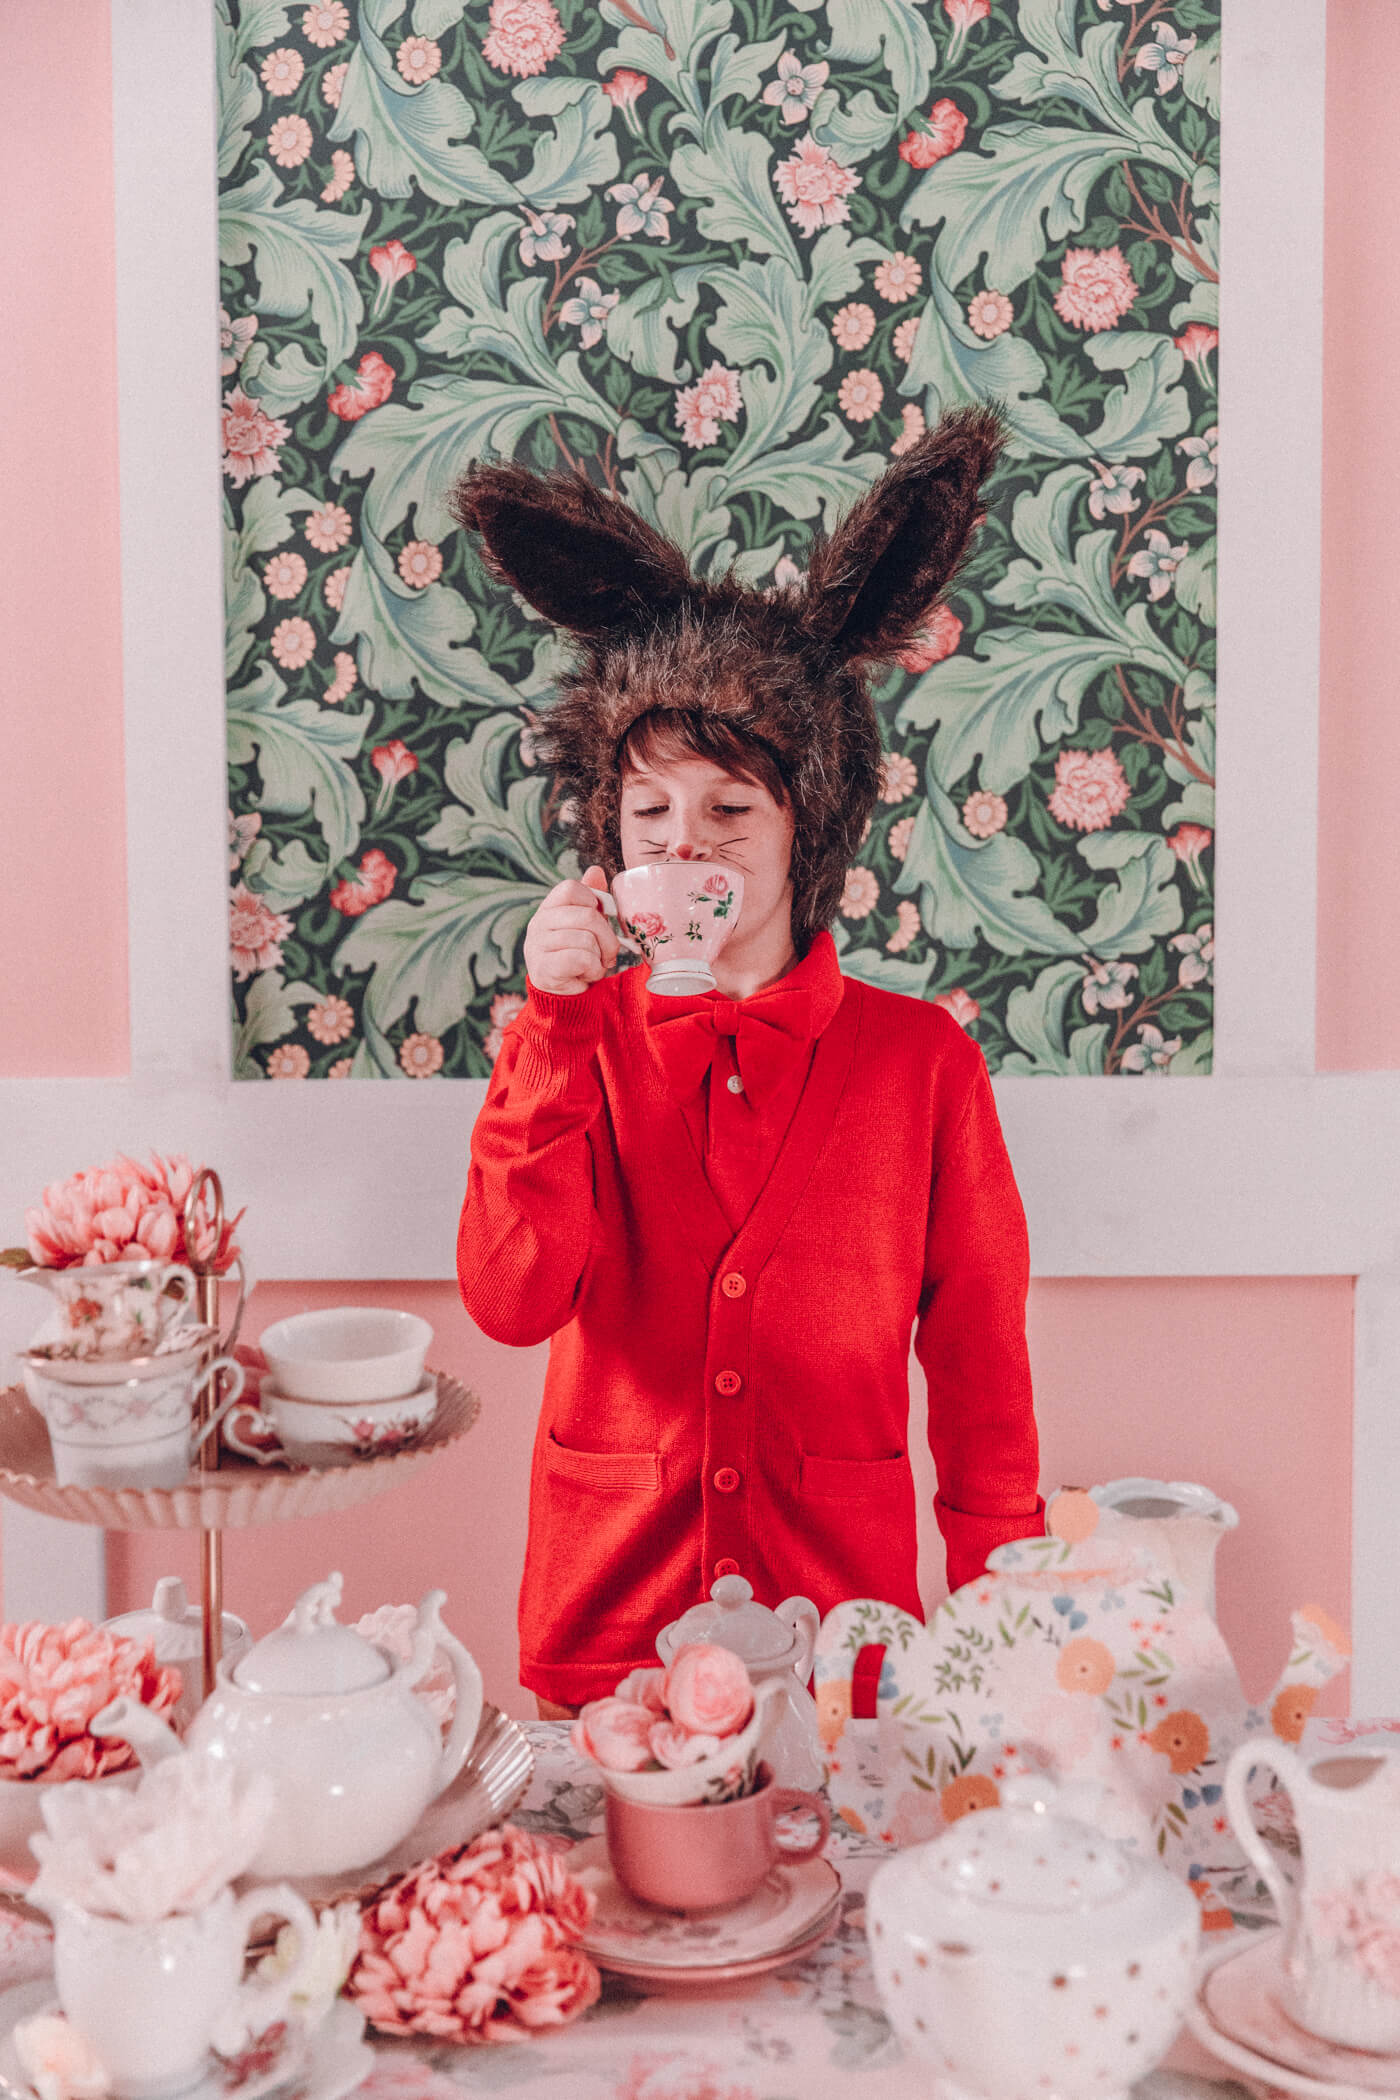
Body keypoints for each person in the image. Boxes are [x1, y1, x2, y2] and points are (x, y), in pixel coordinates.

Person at [451, 407, 1044, 1718]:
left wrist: (1003, 1635)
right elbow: (509, 1299)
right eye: (651, 811)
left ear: (807, 828)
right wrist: (551, 1027)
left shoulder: (923, 1065)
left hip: (842, 1645)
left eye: (733, 808)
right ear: (609, 836)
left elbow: (984, 1372)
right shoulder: (573, 1042)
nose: (691, 845)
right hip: (613, 1633)